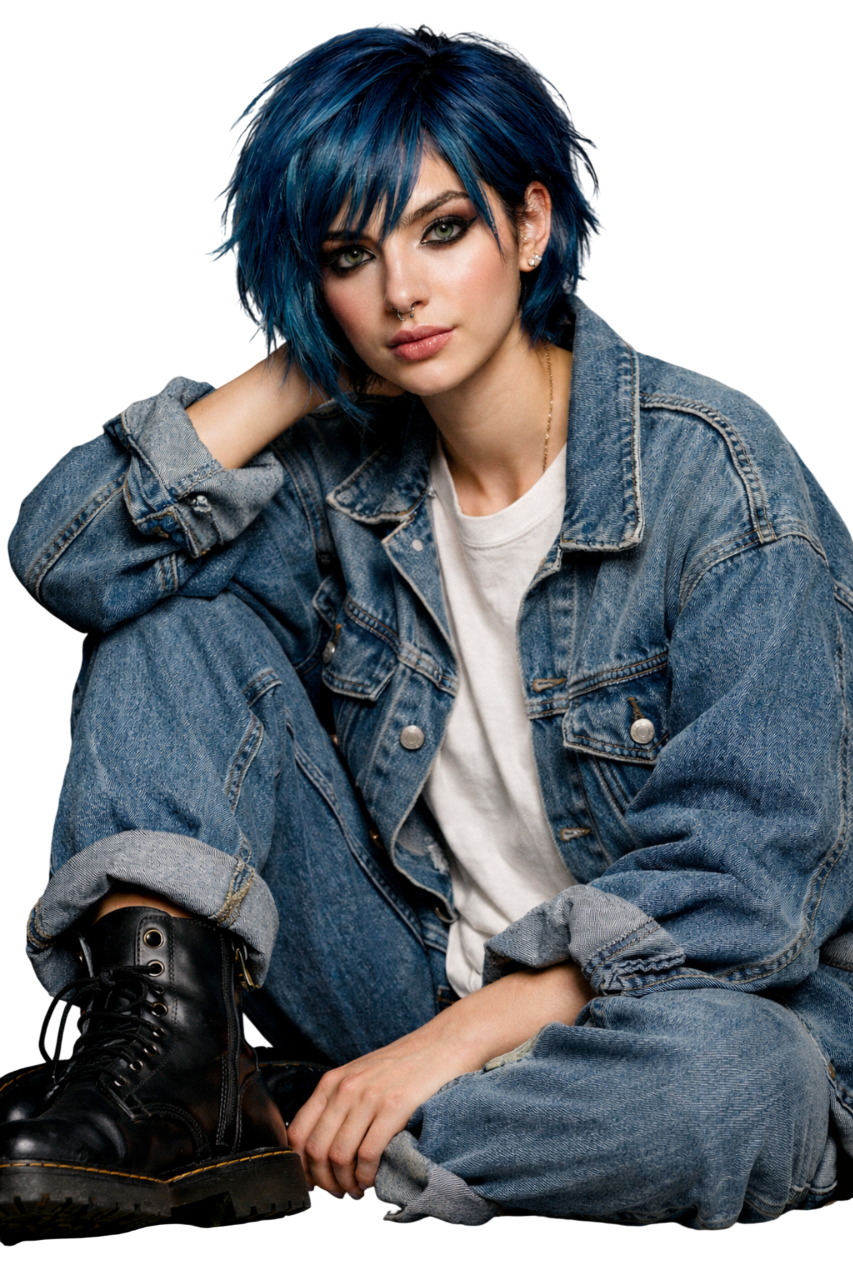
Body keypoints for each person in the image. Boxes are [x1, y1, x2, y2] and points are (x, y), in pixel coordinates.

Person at [3, 23, 851, 1230]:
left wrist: (449, 1046)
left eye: (441, 229)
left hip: (647, 1022)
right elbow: (64, 558)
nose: (402, 291)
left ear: (528, 226)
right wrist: (298, 362)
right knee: (164, 616)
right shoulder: (338, 474)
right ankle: (174, 1090)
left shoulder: (723, 476)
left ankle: (291, 1163)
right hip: (392, 978)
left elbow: (748, 890)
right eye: (353, 252)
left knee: (735, 1086)